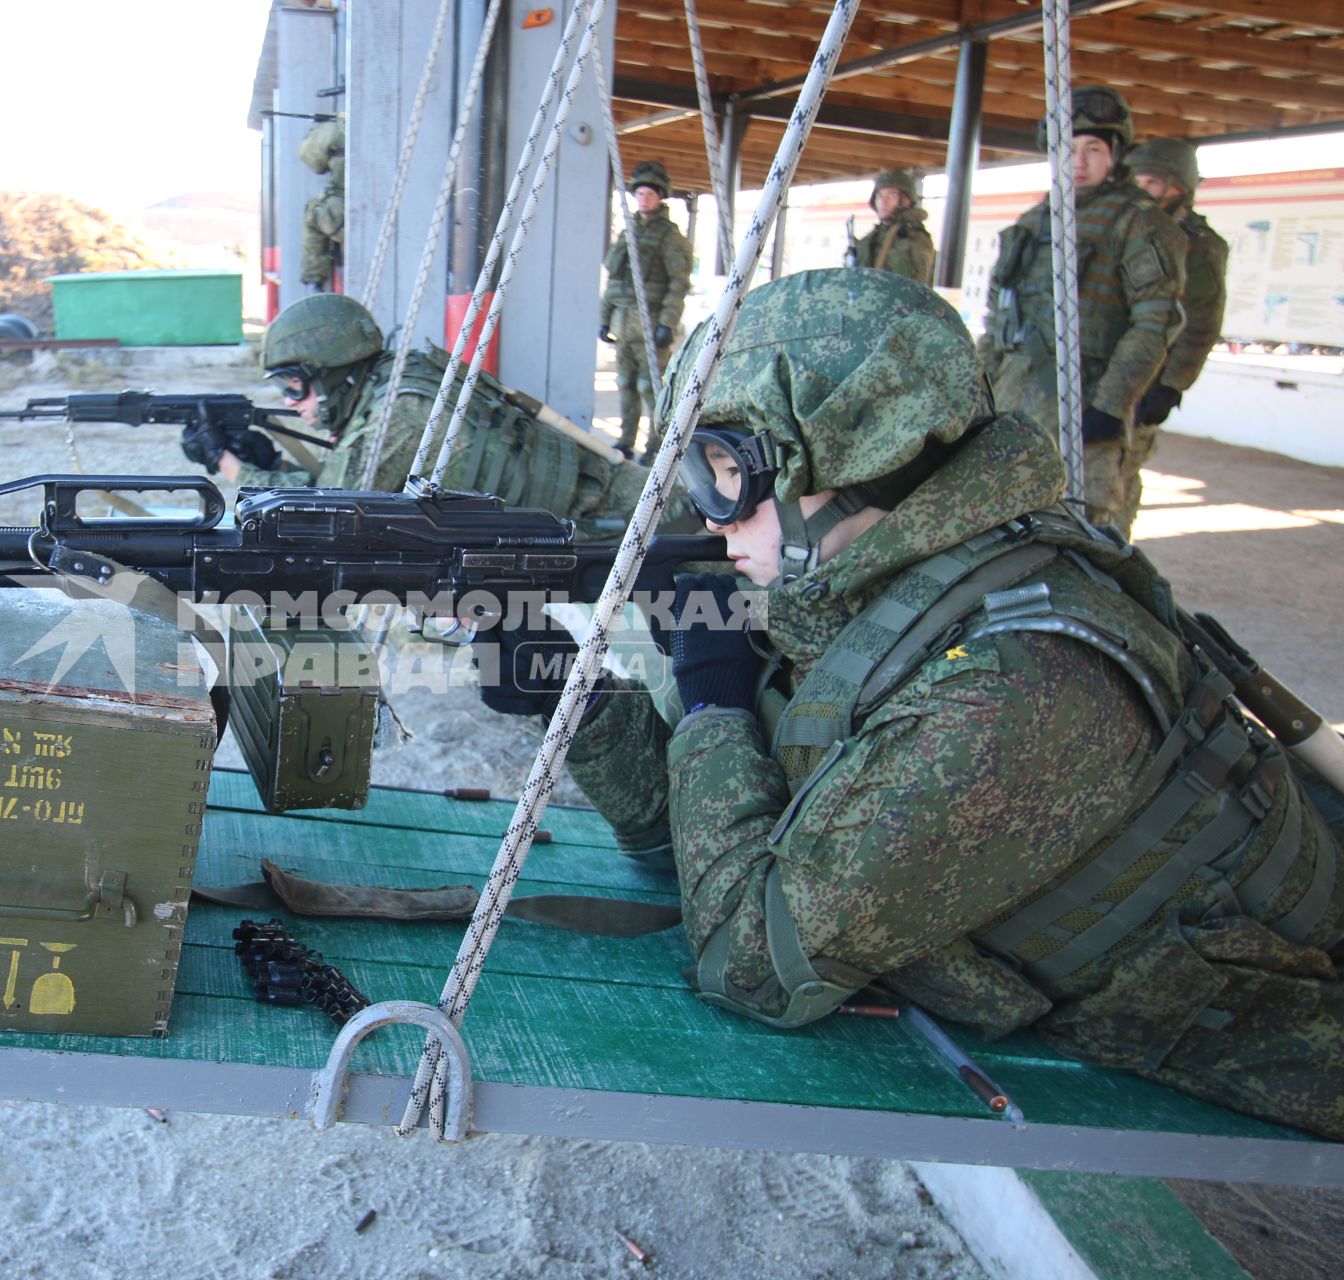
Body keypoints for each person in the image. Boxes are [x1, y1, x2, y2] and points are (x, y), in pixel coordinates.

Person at [487, 268, 1344, 1141]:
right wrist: (582, 701)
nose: (709, 520)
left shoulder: (1011, 685)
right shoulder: (879, 585)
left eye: (725, 475)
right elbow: (693, 849)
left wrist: (716, 709)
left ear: (862, 462)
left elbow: (751, 965)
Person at [186, 293, 653, 523]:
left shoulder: (402, 414)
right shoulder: (394, 378)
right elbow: (347, 476)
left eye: (296, 386)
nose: (295, 404)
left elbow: (322, 511)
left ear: (332, 372)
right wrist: (270, 463)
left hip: (620, 517)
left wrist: (228, 465)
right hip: (603, 503)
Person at [977, 86, 1186, 536]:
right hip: (1015, 399)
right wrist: (980, 388)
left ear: (1116, 153)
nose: (1079, 160)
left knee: (1083, 531)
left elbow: (1156, 321)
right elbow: (999, 318)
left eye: (1093, 148)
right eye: (1067, 149)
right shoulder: (1037, 219)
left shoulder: (1137, 221)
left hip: (1084, 402)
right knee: (996, 524)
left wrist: (1110, 405)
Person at [1123, 136, 1230, 521]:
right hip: (1108, 369)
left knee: (1116, 481)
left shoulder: (1197, 247)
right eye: (1137, 181)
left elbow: (1202, 323)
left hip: (1146, 380)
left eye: (1151, 183)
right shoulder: (1125, 229)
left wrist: (1171, 385)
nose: (1142, 192)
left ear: (1179, 188)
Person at [602, 160, 694, 462]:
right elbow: (615, 281)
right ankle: (626, 439)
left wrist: (667, 322)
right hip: (623, 322)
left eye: (650, 194)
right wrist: (603, 319)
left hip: (650, 324)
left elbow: (678, 282)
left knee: (650, 388)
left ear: (660, 196)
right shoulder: (627, 232)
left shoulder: (669, 236)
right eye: (639, 193)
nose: (644, 199)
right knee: (625, 384)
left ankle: (657, 446)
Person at [845, 170, 935, 284]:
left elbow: (920, 287)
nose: (883, 202)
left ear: (907, 200)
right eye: (879, 196)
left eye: (891, 196)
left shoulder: (916, 239)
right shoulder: (872, 236)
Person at [299, 118, 346, 291]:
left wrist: (316, 131)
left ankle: (314, 284)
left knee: (314, 213)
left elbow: (312, 161)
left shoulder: (336, 128)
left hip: (346, 213)